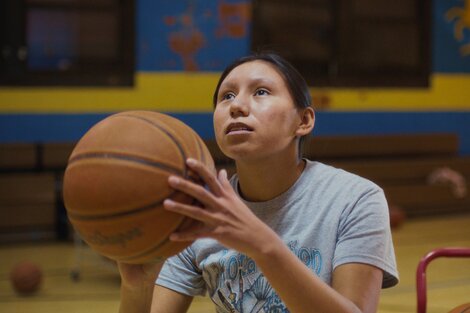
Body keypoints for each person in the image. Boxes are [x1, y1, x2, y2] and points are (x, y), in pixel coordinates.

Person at [118, 52, 398, 313]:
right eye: (226, 96)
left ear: (303, 120)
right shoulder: (199, 214)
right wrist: (137, 286)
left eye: (261, 92)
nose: (237, 106)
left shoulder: (355, 198)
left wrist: (263, 246)